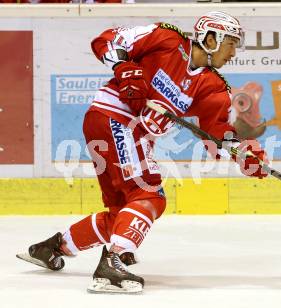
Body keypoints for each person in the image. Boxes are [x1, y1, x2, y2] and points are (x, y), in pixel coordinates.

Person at [17, 11, 268, 294]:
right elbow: (107, 40)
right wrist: (124, 67)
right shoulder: (166, 38)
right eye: (231, 43)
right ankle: (113, 262)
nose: (234, 52)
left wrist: (244, 154)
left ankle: (52, 248)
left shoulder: (213, 87)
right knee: (149, 196)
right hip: (115, 118)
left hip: (131, 132)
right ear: (211, 38)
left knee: (121, 214)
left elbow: (217, 132)